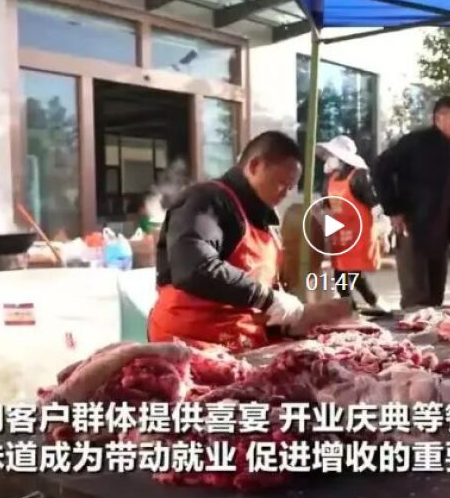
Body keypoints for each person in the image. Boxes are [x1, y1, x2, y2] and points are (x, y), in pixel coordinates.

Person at [148, 131, 346, 352]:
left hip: (240, 346)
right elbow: (194, 268)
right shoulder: (206, 201)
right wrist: (267, 298)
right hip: (188, 345)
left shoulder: (265, 218)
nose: (286, 193)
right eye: (282, 183)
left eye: (291, 187)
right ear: (254, 166)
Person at [373, 96, 450, 308]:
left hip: (442, 232)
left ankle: (433, 329)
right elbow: (381, 169)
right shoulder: (416, 142)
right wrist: (394, 210)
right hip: (412, 227)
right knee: (416, 297)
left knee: (436, 297)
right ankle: (411, 328)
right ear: (439, 119)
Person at [318, 135, 382, 309]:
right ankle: (357, 305)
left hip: (358, 231)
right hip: (339, 233)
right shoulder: (330, 179)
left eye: (332, 155)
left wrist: (383, 225)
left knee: (350, 271)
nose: (328, 158)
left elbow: (373, 202)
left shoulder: (359, 175)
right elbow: (326, 203)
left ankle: (363, 304)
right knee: (341, 271)